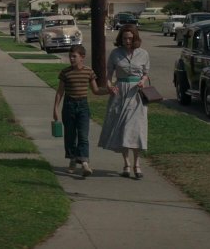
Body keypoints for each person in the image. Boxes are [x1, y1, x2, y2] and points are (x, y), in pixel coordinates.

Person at [98, 24, 151, 179]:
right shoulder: (115, 54)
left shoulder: (143, 54)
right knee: (122, 129)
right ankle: (126, 164)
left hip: (137, 94)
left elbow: (146, 73)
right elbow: (109, 75)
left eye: (130, 38)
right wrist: (109, 86)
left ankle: (137, 164)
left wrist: (143, 80)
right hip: (120, 92)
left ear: (135, 38)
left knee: (136, 129)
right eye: (125, 38)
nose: (127, 41)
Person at [52, 44, 106, 177]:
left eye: (74, 56)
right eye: (70, 56)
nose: (71, 59)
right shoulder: (65, 72)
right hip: (69, 105)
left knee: (83, 135)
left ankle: (85, 163)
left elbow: (96, 90)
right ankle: (72, 159)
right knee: (70, 136)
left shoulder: (89, 72)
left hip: (83, 106)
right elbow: (60, 91)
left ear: (82, 57)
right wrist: (55, 108)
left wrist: (109, 91)